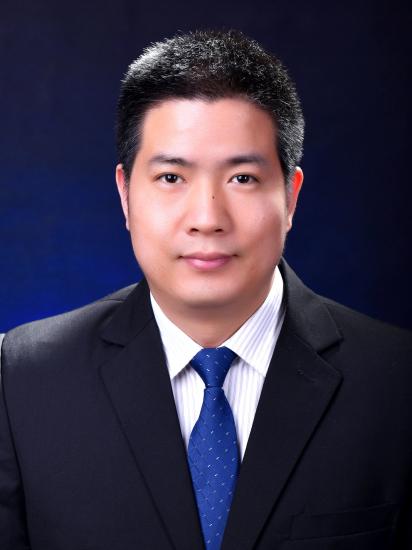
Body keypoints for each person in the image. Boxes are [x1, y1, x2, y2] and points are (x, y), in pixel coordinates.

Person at [0, 29, 411, 550]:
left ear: (290, 196)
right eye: (172, 178)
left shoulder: (397, 382)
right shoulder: (23, 379)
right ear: (126, 194)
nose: (207, 218)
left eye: (242, 178)